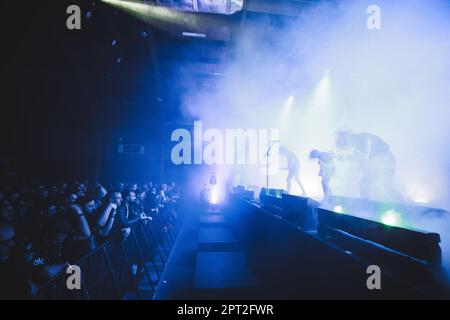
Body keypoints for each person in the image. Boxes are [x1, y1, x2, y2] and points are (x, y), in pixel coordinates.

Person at [335, 130, 400, 200]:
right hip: (382, 163)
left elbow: (364, 155)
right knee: (367, 184)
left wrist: (347, 157)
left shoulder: (363, 138)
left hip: (384, 162)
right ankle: (366, 202)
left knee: (372, 185)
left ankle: (400, 202)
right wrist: (344, 158)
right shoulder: (358, 146)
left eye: (345, 144)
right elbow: (360, 157)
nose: (347, 147)